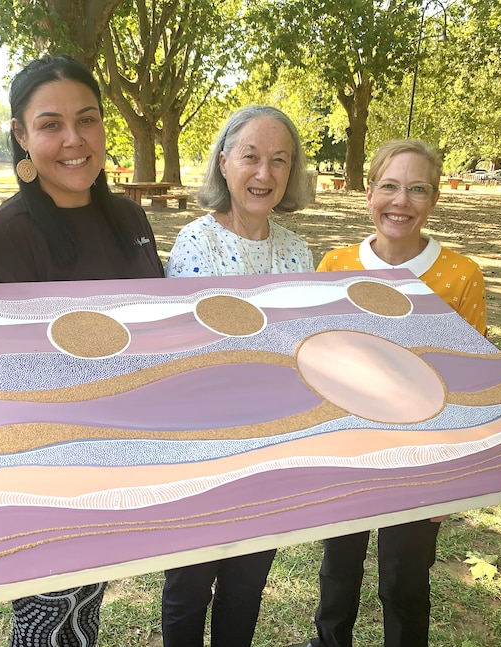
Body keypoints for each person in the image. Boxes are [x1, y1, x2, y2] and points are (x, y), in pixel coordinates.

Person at [0, 55, 164, 646]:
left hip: (121, 460)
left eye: (88, 119)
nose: (74, 139)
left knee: (85, 615)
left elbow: (155, 334)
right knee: (47, 623)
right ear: (22, 137)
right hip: (42, 478)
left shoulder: (129, 218)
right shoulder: (7, 236)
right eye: (50, 124)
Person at [293, 139, 487, 647]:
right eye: (389, 186)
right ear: (368, 192)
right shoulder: (336, 264)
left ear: (434, 200)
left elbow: (471, 381)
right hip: (350, 449)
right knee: (339, 572)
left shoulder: (460, 275)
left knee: (405, 579)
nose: (401, 202)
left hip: (423, 456)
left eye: (417, 189)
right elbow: (315, 363)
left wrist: (452, 479)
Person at [164, 105, 314, 647]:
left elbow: (303, 355)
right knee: (188, 588)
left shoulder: (297, 251)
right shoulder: (195, 244)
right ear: (224, 162)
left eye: (279, 161)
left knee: (246, 587)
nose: (264, 174)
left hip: (269, 453)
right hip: (202, 452)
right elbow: (188, 361)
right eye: (251, 157)